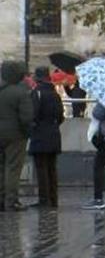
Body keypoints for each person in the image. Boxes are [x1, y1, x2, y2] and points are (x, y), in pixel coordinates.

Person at [28, 66, 65, 208]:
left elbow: (33, 114)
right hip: (54, 134)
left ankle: (44, 199)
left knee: (41, 168)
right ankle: (53, 198)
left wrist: (33, 127)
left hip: (40, 134)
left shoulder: (37, 93)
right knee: (51, 168)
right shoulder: (55, 94)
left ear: (37, 78)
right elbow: (61, 117)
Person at [0, 60, 33, 212]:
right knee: (12, 168)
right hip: (16, 136)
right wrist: (27, 132)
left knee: (1, 168)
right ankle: (11, 201)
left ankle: (1, 199)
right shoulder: (21, 92)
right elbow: (27, 118)